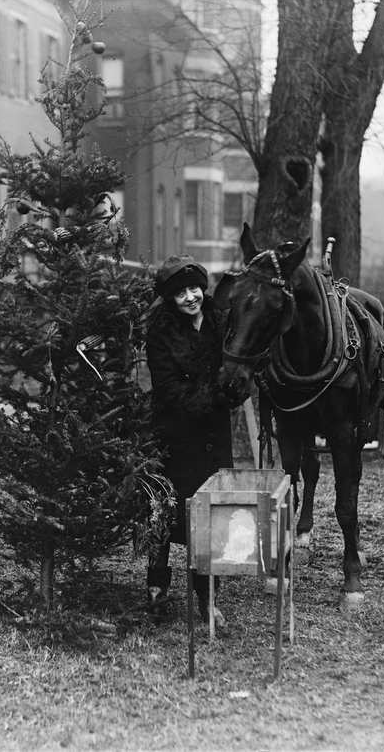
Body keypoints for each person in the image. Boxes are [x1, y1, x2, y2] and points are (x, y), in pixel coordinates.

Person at [144, 254, 242, 626]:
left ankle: (207, 597)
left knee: (211, 516)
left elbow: (237, 367)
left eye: (194, 288)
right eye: (180, 292)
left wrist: (235, 390)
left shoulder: (221, 322)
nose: (190, 297)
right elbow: (168, 388)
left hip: (214, 438)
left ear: (204, 287)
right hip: (174, 435)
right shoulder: (161, 331)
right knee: (166, 513)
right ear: (170, 299)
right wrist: (217, 394)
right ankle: (157, 590)